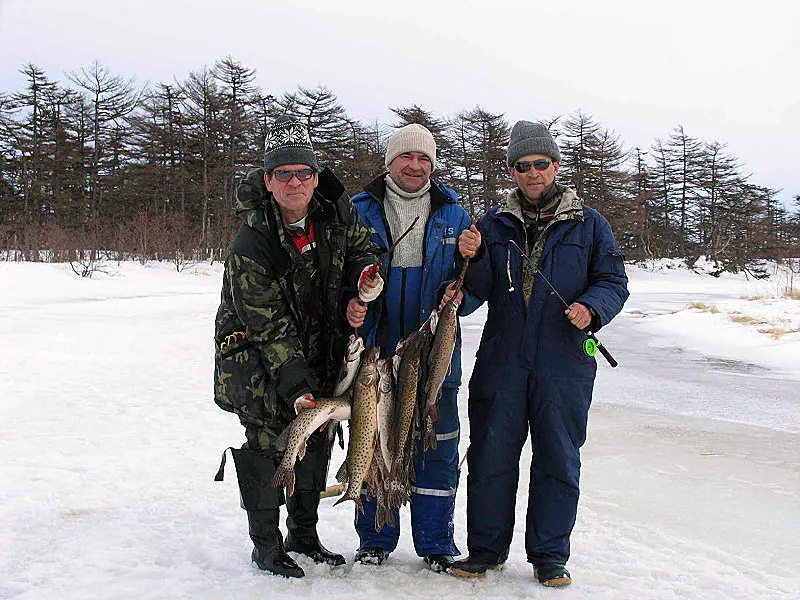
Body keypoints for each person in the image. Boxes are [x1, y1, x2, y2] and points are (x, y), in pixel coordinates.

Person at [449, 121, 629, 587]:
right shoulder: (491, 223)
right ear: (511, 170)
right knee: (490, 455)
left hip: (565, 361)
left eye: (540, 164)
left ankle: (549, 555)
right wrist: (469, 257)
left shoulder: (590, 224)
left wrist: (592, 308)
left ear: (555, 166)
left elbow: (613, 282)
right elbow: (474, 294)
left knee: (558, 457)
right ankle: (485, 549)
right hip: (503, 357)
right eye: (523, 165)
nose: (532, 173)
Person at [213, 115, 383, 578]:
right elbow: (267, 328)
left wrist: (359, 288)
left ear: (314, 177)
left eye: (303, 173)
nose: (295, 182)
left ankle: (303, 534)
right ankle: (265, 545)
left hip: (320, 346)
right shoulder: (253, 239)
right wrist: (296, 389)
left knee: (318, 435)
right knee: (269, 442)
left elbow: (363, 251)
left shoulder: (335, 213)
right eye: (283, 173)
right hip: (256, 356)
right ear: (268, 181)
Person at [346, 123, 481, 572]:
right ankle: (375, 538)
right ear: (389, 161)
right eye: (407, 157)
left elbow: (473, 291)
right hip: (377, 354)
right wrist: (356, 296)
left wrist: (466, 278)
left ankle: (436, 543)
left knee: (437, 446)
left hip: (434, 357)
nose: (415, 166)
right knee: (376, 438)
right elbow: (340, 277)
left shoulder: (455, 214)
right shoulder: (359, 210)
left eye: (424, 158)